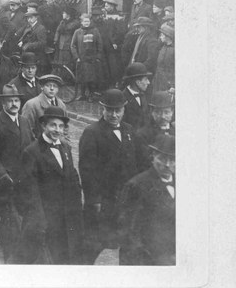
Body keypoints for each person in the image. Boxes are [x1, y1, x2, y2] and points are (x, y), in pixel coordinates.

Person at [11, 106, 84, 264]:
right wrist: (40, 219)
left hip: (65, 216)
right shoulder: (32, 152)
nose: (57, 130)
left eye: (60, 126)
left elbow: (72, 178)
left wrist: (76, 208)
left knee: (64, 257)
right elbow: (29, 190)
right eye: (52, 125)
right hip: (44, 218)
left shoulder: (65, 148)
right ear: (44, 126)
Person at [78, 89, 138, 264]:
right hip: (103, 202)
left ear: (123, 110)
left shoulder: (129, 131)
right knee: (94, 244)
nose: (113, 115)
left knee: (126, 242)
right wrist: (94, 200)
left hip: (125, 201)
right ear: (102, 109)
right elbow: (87, 170)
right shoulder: (92, 132)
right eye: (109, 110)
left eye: (117, 110)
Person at [0, 84, 33, 260]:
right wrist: (2, 174)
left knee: (13, 213)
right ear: (3, 103)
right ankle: (9, 251)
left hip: (24, 177)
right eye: (10, 100)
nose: (14, 104)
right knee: (10, 212)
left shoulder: (25, 121)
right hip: (6, 179)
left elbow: (31, 145)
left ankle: (4, 241)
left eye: (16, 100)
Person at [117, 134, 175, 266]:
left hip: (172, 258)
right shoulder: (137, 185)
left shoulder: (182, 183)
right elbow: (128, 232)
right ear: (153, 156)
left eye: (172, 160)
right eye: (162, 158)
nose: (167, 164)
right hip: (146, 260)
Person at [134, 91, 175, 173]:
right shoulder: (142, 135)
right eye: (158, 112)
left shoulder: (177, 132)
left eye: (166, 112)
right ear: (152, 112)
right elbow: (143, 164)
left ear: (172, 112)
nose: (162, 116)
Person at [20, 74, 68, 140]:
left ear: (58, 89)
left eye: (55, 86)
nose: (52, 88)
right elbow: (26, 131)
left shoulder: (61, 104)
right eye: (48, 85)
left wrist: (65, 145)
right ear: (42, 87)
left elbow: (65, 129)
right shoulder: (32, 104)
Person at [17, 5, 49, 75]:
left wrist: (29, 45)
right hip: (27, 54)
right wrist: (22, 41)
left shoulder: (40, 28)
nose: (29, 20)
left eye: (31, 18)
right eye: (28, 18)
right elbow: (24, 36)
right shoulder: (28, 27)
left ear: (36, 18)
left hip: (36, 56)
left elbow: (42, 43)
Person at [121, 62, 152, 129]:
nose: (148, 82)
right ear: (138, 82)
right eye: (146, 79)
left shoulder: (143, 95)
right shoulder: (122, 98)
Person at [152, 24, 175, 93]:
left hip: (167, 83)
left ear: (167, 37)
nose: (160, 37)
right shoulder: (163, 47)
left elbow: (173, 69)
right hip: (158, 80)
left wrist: (173, 85)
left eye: (162, 35)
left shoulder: (173, 50)